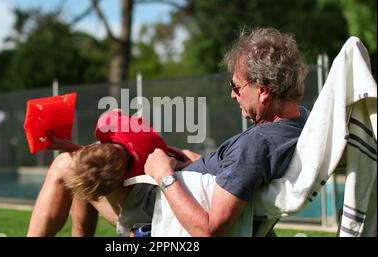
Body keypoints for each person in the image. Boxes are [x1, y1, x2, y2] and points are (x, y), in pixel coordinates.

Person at [144, 26, 310, 236]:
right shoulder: (302, 121)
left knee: (97, 172)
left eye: (236, 87)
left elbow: (209, 230)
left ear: (263, 92)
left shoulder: (257, 145)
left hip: (169, 205)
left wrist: (164, 175)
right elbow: (241, 170)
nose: (233, 95)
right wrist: (202, 162)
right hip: (194, 178)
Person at [26, 109, 182, 236]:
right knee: (86, 174)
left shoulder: (131, 174)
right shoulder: (111, 126)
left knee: (67, 167)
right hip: (157, 185)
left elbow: (115, 112)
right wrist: (65, 145)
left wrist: (68, 148)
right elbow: (116, 114)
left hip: (148, 218)